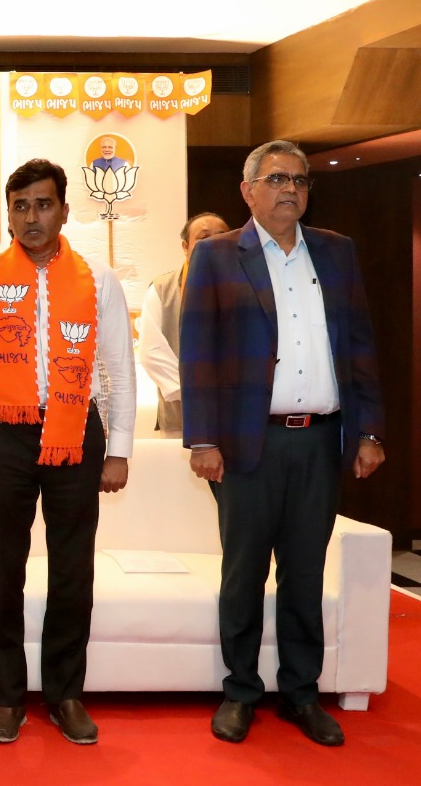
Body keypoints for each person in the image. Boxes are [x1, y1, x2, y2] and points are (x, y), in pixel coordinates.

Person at [180, 140, 385, 747]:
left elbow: (361, 347)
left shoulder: (337, 252)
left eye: (299, 179)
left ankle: (301, 692)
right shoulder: (218, 256)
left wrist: (369, 429)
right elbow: (199, 354)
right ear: (248, 191)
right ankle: (240, 691)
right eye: (275, 179)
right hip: (248, 444)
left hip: (320, 441)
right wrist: (201, 439)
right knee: (243, 574)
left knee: (305, 572)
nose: (290, 188)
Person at [0, 158, 134, 746]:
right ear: (8, 213)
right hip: (2, 429)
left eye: (43, 204)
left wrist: (120, 449)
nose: (31, 217)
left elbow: (119, 370)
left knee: (72, 568)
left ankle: (66, 694)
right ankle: (6, 698)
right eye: (21, 205)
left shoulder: (99, 280)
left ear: (63, 210)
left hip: (78, 428)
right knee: (2, 568)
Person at [136, 211, 230, 433]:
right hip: (182, 410)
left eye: (222, 236)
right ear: (186, 247)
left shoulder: (246, 285)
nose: (214, 243)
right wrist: (194, 394)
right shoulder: (162, 289)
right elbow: (152, 352)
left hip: (234, 409)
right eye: (204, 237)